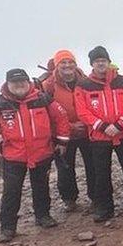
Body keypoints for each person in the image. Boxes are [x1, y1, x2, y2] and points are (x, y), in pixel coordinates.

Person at [75, 46, 123, 222]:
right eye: (97, 61)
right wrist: (101, 126)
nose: (100, 63)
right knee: (101, 173)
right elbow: (82, 110)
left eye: (103, 60)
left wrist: (120, 124)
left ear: (109, 62)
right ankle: (104, 208)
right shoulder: (83, 85)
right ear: (92, 64)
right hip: (99, 137)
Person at [0, 69, 70, 242]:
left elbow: (61, 117)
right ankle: (7, 227)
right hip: (13, 156)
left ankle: (43, 216)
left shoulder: (43, 99)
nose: (19, 85)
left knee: (41, 186)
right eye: (15, 82)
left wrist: (62, 141)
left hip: (41, 152)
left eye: (22, 81)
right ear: (7, 84)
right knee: (11, 192)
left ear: (28, 82)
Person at [37, 50, 95, 212]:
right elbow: (45, 114)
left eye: (70, 62)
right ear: (56, 65)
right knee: (65, 168)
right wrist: (70, 126)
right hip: (62, 135)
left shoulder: (85, 81)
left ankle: (96, 196)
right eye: (63, 62)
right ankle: (69, 199)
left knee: (93, 165)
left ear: (76, 64)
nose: (67, 65)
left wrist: (85, 122)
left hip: (86, 131)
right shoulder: (48, 85)